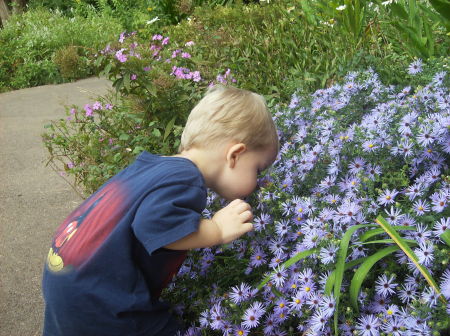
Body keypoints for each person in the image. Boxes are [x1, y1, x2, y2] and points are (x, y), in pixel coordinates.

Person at [42, 85, 279, 336]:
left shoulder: (153, 167)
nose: (259, 182)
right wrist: (217, 230)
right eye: (258, 170)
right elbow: (153, 225)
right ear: (235, 155)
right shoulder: (186, 178)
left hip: (65, 278)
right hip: (102, 298)